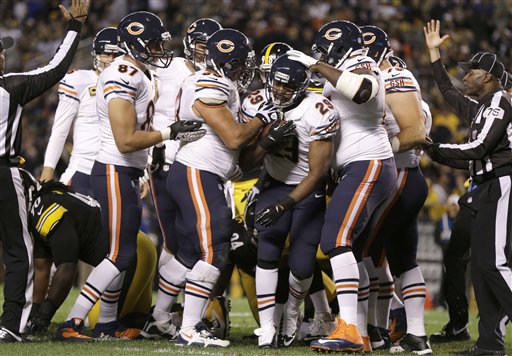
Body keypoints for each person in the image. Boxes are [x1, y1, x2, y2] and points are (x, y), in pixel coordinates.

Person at [56, 11, 204, 341]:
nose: (158, 50)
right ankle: (74, 320)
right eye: (152, 43)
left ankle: (107, 324)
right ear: (136, 43)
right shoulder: (122, 73)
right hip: (114, 168)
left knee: (123, 252)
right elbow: (125, 140)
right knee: (120, 254)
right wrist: (171, 132)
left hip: (128, 171)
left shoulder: (138, 72)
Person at [162, 28, 280, 348]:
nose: (245, 69)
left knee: (198, 252)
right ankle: (188, 328)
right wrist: (260, 119)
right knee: (215, 248)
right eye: (240, 63)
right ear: (225, 61)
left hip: (208, 174)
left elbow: (245, 151)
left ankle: (166, 318)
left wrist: (269, 137)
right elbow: (234, 138)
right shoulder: (209, 83)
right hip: (197, 172)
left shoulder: (223, 83)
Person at [287, 20, 397, 353]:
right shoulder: (347, 69)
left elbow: (363, 90)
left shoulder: (360, 65)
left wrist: (316, 65)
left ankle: (348, 329)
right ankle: (360, 333)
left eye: (323, 50)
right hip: (362, 165)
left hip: (368, 164)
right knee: (353, 252)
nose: (319, 56)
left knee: (335, 239)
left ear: (338, 47)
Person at [0, 0, 89, 342]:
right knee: (17, 251)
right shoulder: (10, 88)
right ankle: (11, 324)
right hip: (4, 177)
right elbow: (56, 68)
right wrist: (75, 27)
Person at [423, 19, 512, 356]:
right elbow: (448, 93)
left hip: (500, 186)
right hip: (484, 188)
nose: (466, 76)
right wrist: (434, 55)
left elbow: (478, 150)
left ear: (488, 76)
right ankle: (490, 343)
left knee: (494, 265)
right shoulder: (482, 108)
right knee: (480, 267)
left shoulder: (499, 104)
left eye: (472, 72)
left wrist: (433, 148)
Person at [141, 18, 222, 341]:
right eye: (201, 44)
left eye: (210, 46)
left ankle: (165, 315)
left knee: (192, 244)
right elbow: (145, 112)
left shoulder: (219, 76)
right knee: (182, 244)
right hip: (169, 163)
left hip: (203, 166)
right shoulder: (166, 69)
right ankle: (171, 316)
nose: (204, 51)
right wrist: (146, 158)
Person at [251, 54, 338, 348]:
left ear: (302, 88)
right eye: (276, 82)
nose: (279, 91)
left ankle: (291, 312)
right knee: (267, 249)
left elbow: (317, 173)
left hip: (306, 190)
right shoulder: (258, 106)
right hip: (273, 184)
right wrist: (265, 144)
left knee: (302, 267)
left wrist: (282, 206)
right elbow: (244, 162)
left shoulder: (318, 111)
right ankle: (266, 327)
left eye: (288, 87)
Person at [357, 25, 432, 354]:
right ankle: (415, 335)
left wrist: (375, 152)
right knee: (402, 259)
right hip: (407, 175)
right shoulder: (390, 74)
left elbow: (415, 132)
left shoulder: (394, 76)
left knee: (361, 252)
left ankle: (368, 331)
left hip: (398, 174)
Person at [39, 27, 124, 195]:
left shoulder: (134, 84)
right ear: (96, 54)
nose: (111, 60)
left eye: (116, 55)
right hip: (84, 170)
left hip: (118, 173)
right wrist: (47, 171)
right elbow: (60, 131)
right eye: (106, 54)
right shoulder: (80, 80)